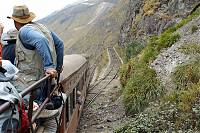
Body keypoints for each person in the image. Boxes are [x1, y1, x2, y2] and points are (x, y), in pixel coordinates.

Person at [7, 5, 64, 119]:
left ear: (15, 21)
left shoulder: (24, 31)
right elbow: (60, 44)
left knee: (6, 87)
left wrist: (49, 67)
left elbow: (40, 40)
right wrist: (57, 68)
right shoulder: (42, 28)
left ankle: (34, 110)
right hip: (43, 83)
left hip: (31, 85)